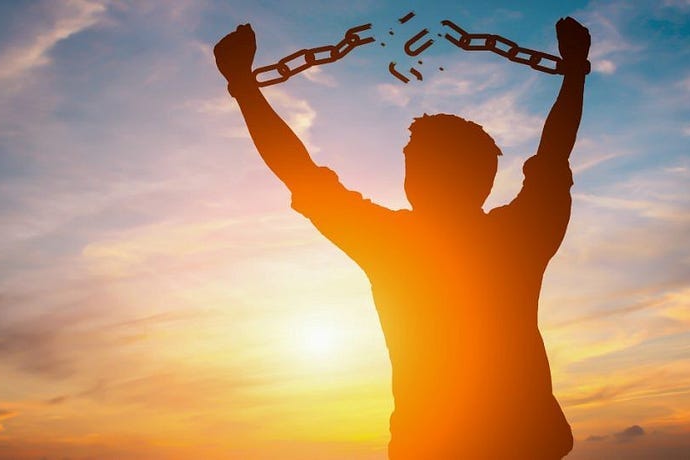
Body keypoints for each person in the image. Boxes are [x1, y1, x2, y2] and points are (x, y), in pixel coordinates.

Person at [214, 15, 590, 460]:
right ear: (486, 178)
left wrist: (243, 85)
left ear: (414, 177)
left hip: (433, 444)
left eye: (414, 162)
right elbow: (553, 154)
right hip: (527, 442)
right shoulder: (520, 234)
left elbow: (298, 171)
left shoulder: (390, 244)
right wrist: (573, 71)